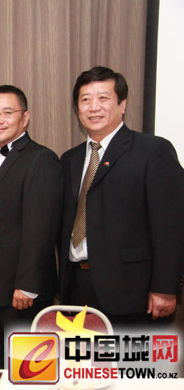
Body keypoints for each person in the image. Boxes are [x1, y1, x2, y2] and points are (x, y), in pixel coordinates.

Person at [59, 66, 184, 325]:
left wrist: (165, 287)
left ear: (122, 104)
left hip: (132, 293)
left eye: (103, 98)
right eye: (85, 99)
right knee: (82, 354)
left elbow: (171, 225)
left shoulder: (153, 151)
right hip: (77, 287)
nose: (94, 107)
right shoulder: (69, 159)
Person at [0, 85, 62, 368]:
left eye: (7, 112)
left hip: (21, 293)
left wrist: (27, 285)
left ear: (25, 118)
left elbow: (41, 228)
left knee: (29, 370)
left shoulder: (41, 159)